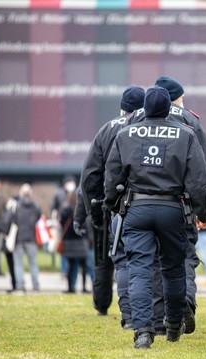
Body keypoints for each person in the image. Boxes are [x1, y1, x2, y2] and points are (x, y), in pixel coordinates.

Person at [104, 86, 206, 349]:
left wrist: (114, 205)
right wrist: (203, 213)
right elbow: (199, 180)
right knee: (174, 268)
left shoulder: (125, 133)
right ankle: (173, 326)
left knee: (139, 269)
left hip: (137, 209)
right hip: (173, 209)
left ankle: (142, 330)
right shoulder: (185, 134)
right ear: (169, 108)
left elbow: (112, 176)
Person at [152, 76, 206, 335]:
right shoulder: (191, 120)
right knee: (184, 259)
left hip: (144, 203)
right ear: (176, 97)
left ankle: (159, 321)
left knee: (156, 263)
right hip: (183, 204)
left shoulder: (139, 119)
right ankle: (185, 303)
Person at [77, 85, 145, 321]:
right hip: (141, 203)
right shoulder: (147, 128)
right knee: (140, 260)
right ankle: (141, 311)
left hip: (109, 206)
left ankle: (102, 305)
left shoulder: (106, 129)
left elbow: (89, 176)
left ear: (121, 108)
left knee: (105, 260)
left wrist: (94, 210)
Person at [10, 184, 42, 293]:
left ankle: (20, 285)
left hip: (19, 239)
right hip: (31, 239)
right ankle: (36, 285)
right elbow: (38, 218)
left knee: (18, 264)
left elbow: (13, 220)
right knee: (33, 264)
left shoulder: (17, 206)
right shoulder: (35, 206)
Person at [59, 191, 89, 293]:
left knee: (70, 266)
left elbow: (61, 223)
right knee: (84, 266)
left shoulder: (66, 209)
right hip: (80, 241)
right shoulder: (81, 209)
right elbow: (86, 223)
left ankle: (70, 288)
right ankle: (84, 287)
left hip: (69, 241)